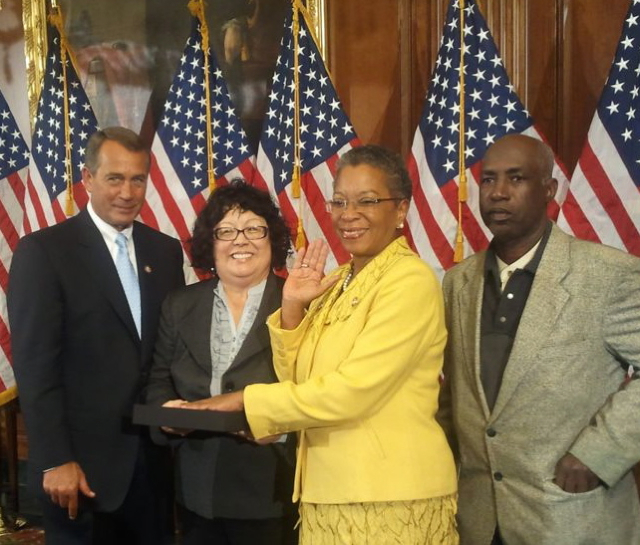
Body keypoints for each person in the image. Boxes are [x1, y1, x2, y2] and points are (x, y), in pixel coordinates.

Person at [182, 145, 459, 543]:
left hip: (388, 499)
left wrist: (244, 401)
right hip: (330, 494)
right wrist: (292, 306)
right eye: (340, 201)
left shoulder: (409, 280)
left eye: (368, 201)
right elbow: (297, 376)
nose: (349, 214)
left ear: (401, 210)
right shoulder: (341, 278)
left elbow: (350, 392)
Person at [437, 134, 640, 544]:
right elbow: (454, 395)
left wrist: (600, 452)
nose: (498, 193)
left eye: (516, 179)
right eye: (489, 180)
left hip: (569, 515)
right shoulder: (459, 282)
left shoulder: (607, 275)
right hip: (479, 517)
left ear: (548, 190)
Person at [7, 127, 185, 544]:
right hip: (80, 470)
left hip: (155, 462)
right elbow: (36, 367)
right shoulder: (45, 252)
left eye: (137, 179)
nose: (127, 191)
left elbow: (170, 351)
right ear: (87, 178)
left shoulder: (165, 251)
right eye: (114, 178)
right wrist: (54, 459)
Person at [146, 181, 297, 545]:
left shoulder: (298, 302)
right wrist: (167, 413)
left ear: (271, 238)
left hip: (274, 486)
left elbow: (315, 389)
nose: (240, 241)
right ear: (209, 243)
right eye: (226, 231)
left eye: (253, 229)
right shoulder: (179, 304)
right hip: (197, 489)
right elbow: (158, 379)